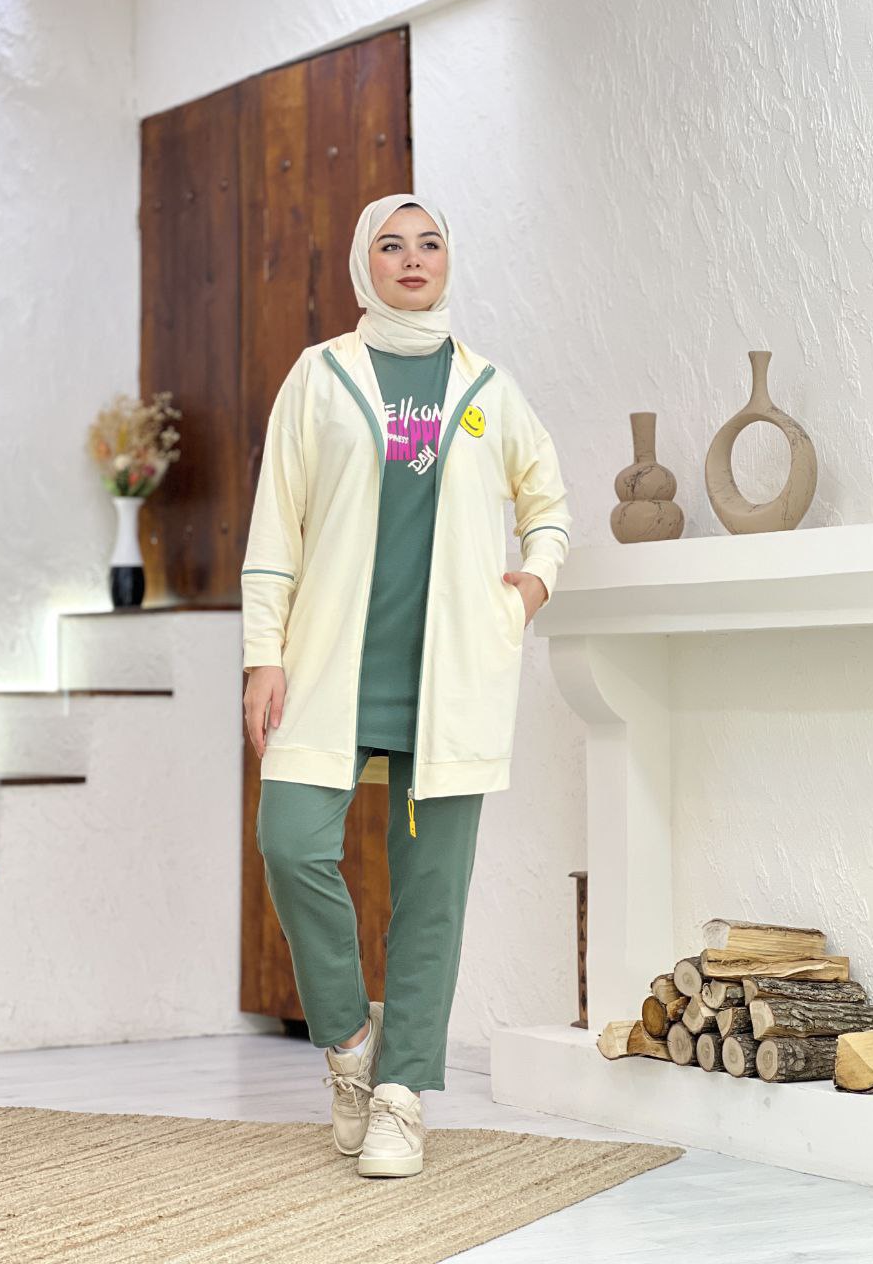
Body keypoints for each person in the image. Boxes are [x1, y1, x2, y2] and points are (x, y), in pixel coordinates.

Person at [241, 192, 572, 1178]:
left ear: (447, 261)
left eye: (429, 243)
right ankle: (351, 1045)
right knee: (290, 842)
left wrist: (531, 585)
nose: (413, 257)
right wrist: (263, 651)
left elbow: (547, 501)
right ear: (365, 265)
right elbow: (276, 521)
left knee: (432, 892)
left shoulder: (487, 387)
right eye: (391, 244)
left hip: (451, 677)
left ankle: (401, 1095)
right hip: (330, 666)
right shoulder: (320, 376)